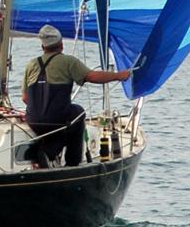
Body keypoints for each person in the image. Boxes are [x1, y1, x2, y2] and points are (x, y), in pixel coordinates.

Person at [21, 23, 132, 168]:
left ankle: (47, 151)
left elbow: (24, 98)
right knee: (78, 114)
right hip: (56, 119)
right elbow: (92, 76)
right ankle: (71, 163)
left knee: (59, 124)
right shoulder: (68, 62)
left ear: (43, 47)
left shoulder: (31, 64)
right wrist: (119, 76)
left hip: (33, 120)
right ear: (61, 45)